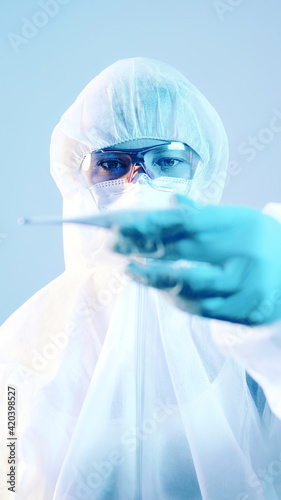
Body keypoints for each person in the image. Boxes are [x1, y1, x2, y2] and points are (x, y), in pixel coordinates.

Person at [1, 57, 281, 500]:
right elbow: (11, 475)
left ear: (202, 178)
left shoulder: (247, 322)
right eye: (112, 164)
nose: (139, 184)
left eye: (167, 162)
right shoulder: (25, 347)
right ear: (78, 184)